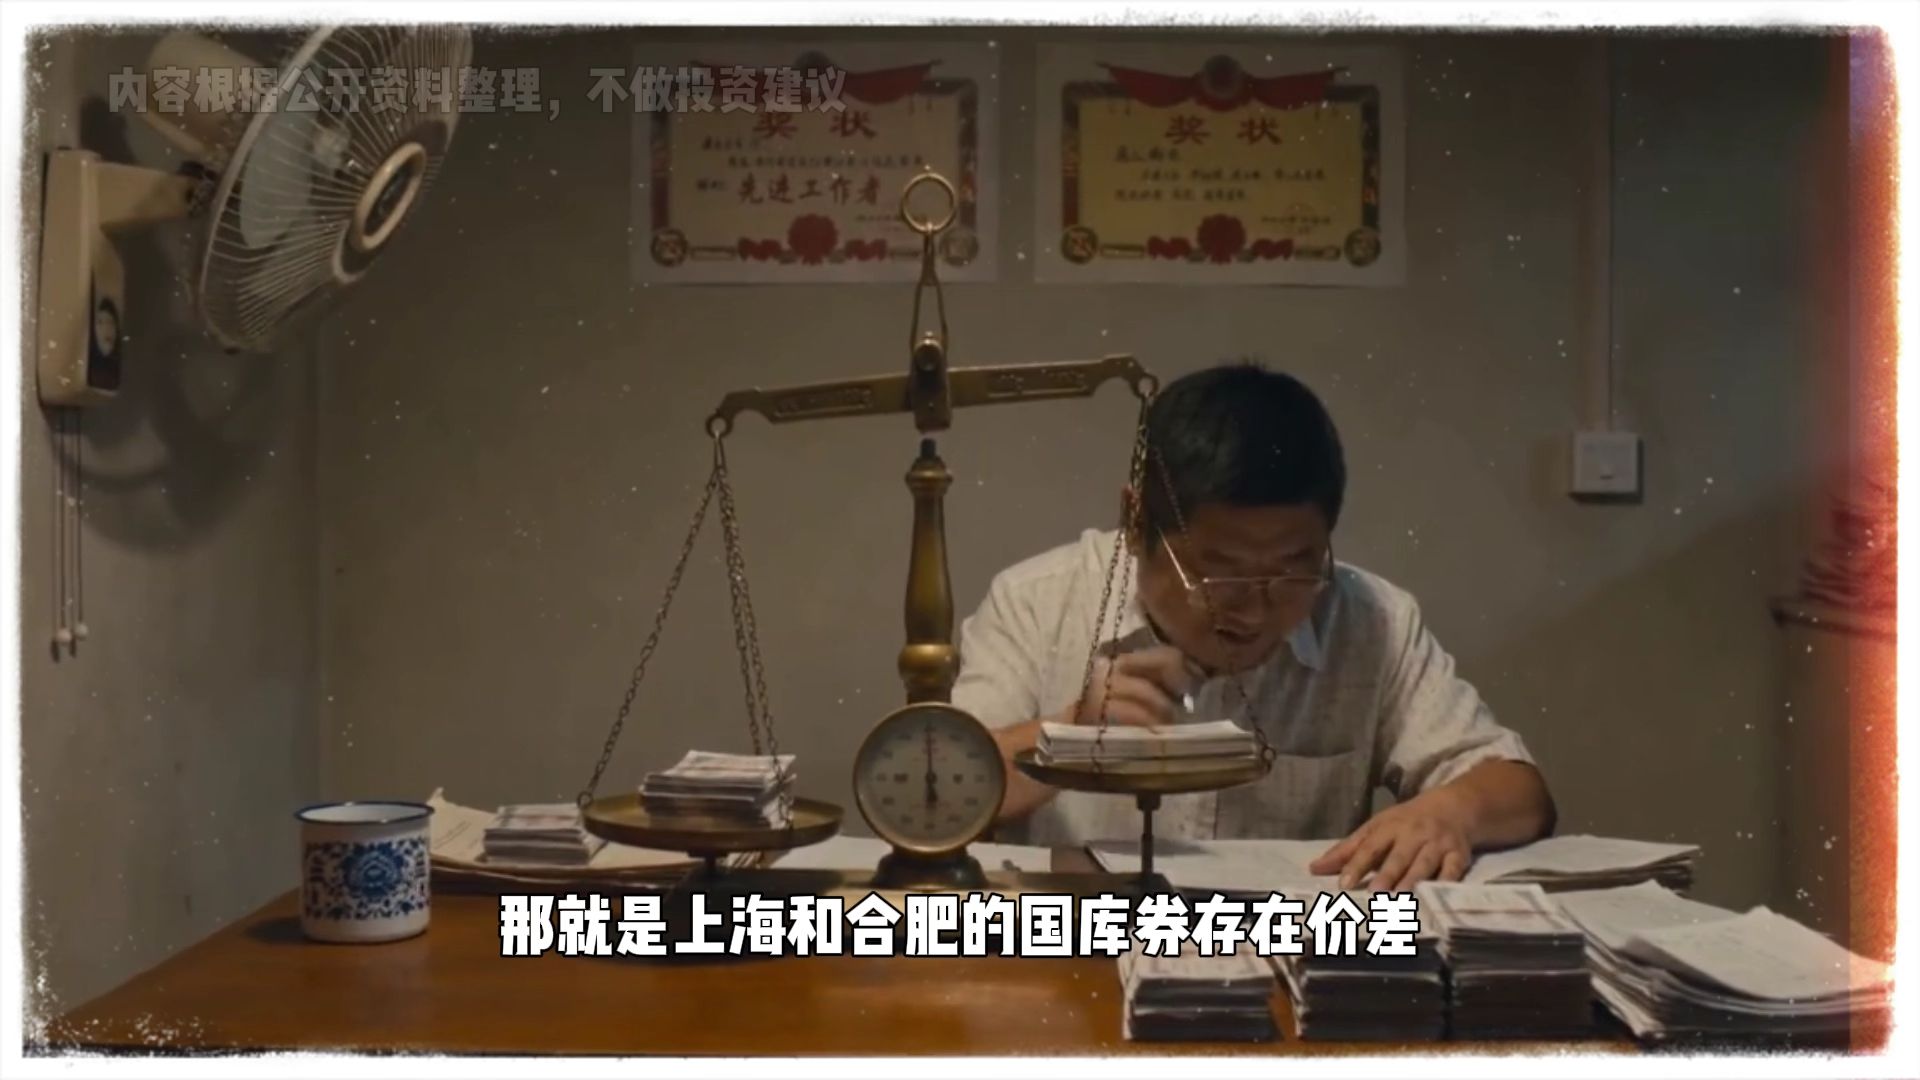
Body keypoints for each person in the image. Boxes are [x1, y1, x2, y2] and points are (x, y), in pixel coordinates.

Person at [952, 361, 1555, 891]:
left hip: (1286, 953)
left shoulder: (1373, 619)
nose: (1254, 609)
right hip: (1078, 948)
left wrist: (1454, 811)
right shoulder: (1036, 603)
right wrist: (1069, 732)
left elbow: (1520, 790)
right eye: (1218, 571)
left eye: (1294, 569)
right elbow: (941, 796)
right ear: (1135, 522)